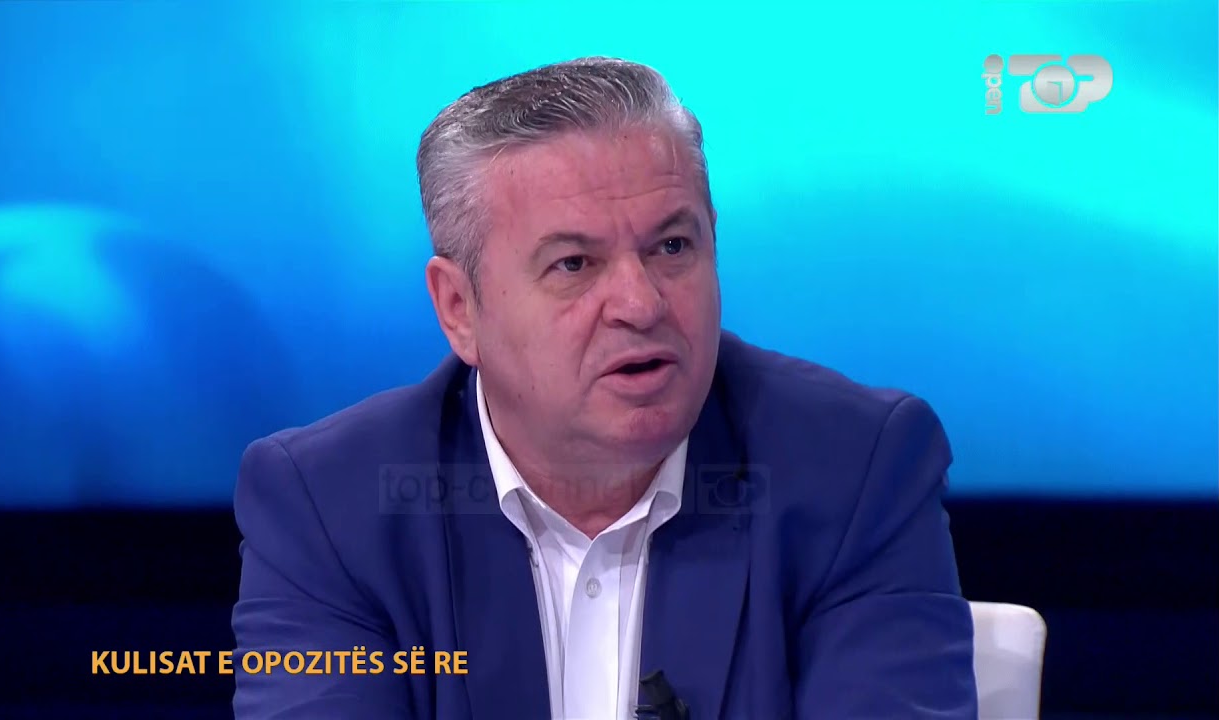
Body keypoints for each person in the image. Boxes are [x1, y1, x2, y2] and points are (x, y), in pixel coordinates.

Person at [231, 57, 977, 719]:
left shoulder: (856, 471)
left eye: (672, 246)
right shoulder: (329, 508)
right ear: (459, 309)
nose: (641, 304)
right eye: (574, 265)